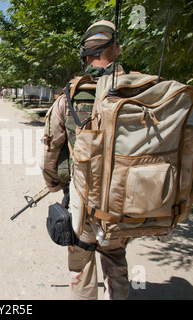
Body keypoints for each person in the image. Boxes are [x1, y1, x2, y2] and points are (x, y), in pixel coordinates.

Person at [41, 20, 129, 300]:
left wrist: (54, 183)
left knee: (82, 267)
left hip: (84, 202)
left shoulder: (70, 95)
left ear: (85, 53)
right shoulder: (138, 90)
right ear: (116, 49)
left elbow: (51, 151)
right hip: (124, 200)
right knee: (116, 260)